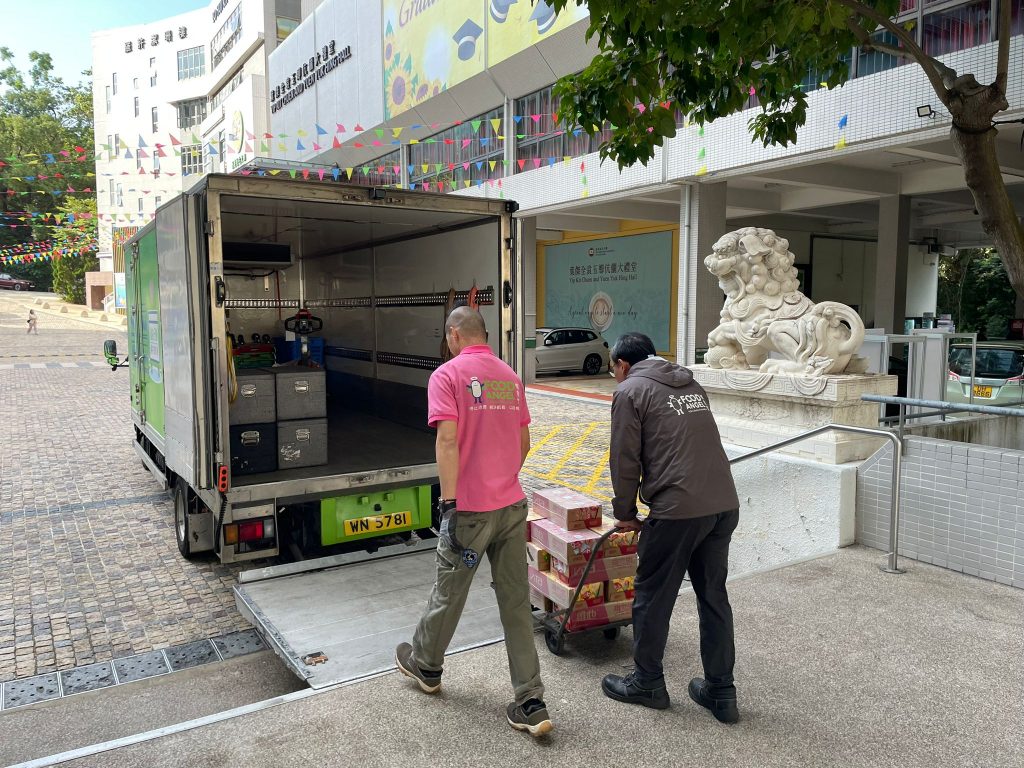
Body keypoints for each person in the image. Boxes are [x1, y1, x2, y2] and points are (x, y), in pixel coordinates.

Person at [395, 306, 552, 737]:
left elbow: (447, 441)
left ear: (453, 334)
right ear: (484, 334)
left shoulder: (446, 376)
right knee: (516, 602)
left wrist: (449, 503)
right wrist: (501, 478)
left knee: (450, 590)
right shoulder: (510, 376)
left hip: (469, 513)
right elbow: (524, 441)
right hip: (511, 506)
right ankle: (531, 701)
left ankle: (426, 665)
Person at [601, 332, 741, 723]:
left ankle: (647, 682)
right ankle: (721, 692)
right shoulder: (691, 385)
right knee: (713, 596)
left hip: (678, 510)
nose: (615, 376)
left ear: (622, 365)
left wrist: (625, 512)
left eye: (613, 369)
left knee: (651, 596)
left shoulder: (630, 391)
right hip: (722, 504)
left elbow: (624, 459)